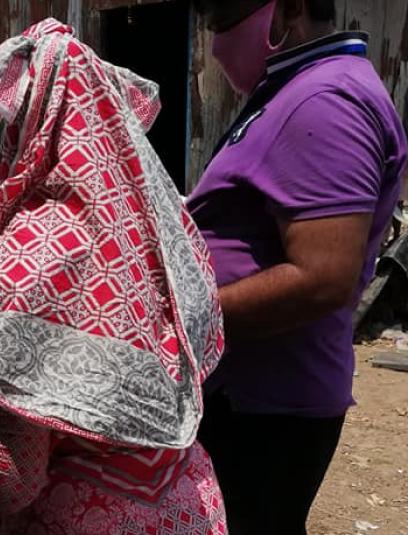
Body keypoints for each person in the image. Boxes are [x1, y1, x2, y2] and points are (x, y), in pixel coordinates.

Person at [0, 19, 227, 535]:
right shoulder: (161, 230)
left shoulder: (23, 267)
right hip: (184, 504)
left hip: (88, 517)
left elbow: (5, 478)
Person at [187, 1, 408, 534]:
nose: (215, 38)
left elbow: (321, 276)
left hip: (267, 406)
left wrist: (181, 317)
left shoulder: (326, 101)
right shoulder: (295, 89)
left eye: (225, 17)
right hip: (249, 391)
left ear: (289, 7)